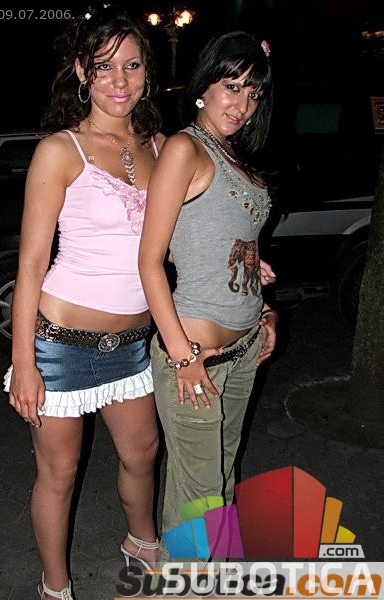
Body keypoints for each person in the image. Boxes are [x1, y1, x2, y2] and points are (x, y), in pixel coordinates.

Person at [3, 7, 165, 598]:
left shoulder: (160, 146)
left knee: (143, 454)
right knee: (60, 473)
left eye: (132, 65)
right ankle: (56, 586)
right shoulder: (60, 149)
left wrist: (247, 262)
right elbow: (30, 264)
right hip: (60, 346)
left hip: (133, 344)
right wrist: (24, 361)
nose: (120, 81)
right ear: (81, 71)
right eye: (104, 67)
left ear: (147, 71)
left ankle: (141, 542)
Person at [138, 31, 277, 560]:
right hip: (195, 354)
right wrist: (182, 356)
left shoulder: (231, 156)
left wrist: (263, 309)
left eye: (253, 94)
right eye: (231, 87)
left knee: (218, 477)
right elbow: (150, 259)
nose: (241, 104)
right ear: (204, 87)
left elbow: (223, 248)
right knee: (201, 495)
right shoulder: (185, 149)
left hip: (242, 351)